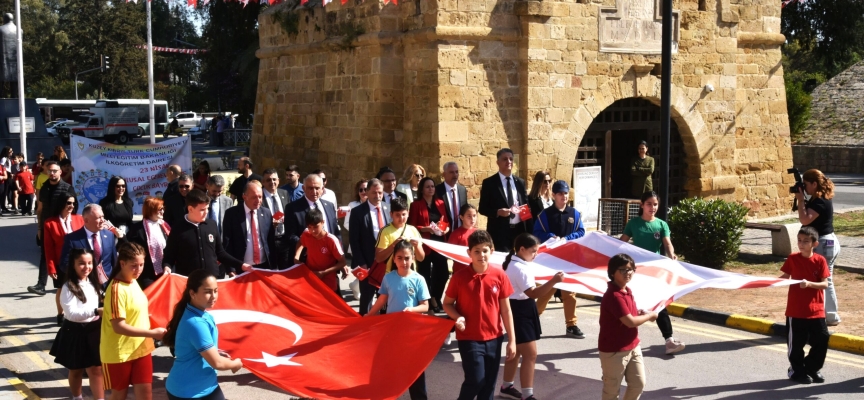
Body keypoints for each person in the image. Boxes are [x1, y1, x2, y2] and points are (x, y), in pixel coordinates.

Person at [442, 230, 516, 400]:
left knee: (488, 385)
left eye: (485, 250)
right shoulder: (459, 277)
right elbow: (447, 304)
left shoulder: (499, 275)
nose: (481, 255)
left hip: (494, 338)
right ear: (469, 253)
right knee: (476, 380)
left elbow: (506, 310)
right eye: (476, 251)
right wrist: (458, 317)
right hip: (469, 338)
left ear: (492, 251)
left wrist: (512, 340)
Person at [619, 191, 685, 355]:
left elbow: (667, 244)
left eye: (655, 204)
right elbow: (621, 244)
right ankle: (624, 339)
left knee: (659, 304)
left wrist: (672, 255)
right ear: (642, 205)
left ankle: (669, 341)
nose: (652, 207)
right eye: (649, 204)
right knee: (630, 305)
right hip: (636, 273)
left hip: (655, 273)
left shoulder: (662, 225)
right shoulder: (633, 224)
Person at [500, 233, 564, 400]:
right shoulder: (519, 268)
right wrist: (554, 281)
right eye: (533, 251)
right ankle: (527, 395)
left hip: (520, 308)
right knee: (530, 355)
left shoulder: (516, 263)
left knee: (516, 352)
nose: (536, 254)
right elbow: (533, 293)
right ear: (522, 249)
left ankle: (506, 386)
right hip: (520, 310)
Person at [100, 242, 167, 400]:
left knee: (146, 395)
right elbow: (119, 327)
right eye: (134, 266)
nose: (138, 270)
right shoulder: (116, 289)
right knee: (119, 396)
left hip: (141, 349)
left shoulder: (133, 280)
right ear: (122, 263)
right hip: (119, 353)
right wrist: (152, 333)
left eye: (141, 265)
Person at [365, 240, 430, 399]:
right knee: (389, 366)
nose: (404, 262)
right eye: (400, 258)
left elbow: (425, 306)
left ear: (413, 258)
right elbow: (382, 299)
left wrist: (412, 310)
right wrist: (369, 315)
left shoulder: (419, 279)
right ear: (394, 259)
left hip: (412, 333)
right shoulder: (388, 278)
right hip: (392, 331)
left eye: (407, 258)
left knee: (414, 368)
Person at [163, 270, 243, 400]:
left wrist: (217, 354)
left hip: (206, 386)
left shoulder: (201, 314)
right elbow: (217, 363)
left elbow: (204, 352)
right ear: (192, 293)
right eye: (207, 292)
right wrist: (235, 364)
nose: (213, 296)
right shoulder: (196, 323)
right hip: (187, 392)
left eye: (215, 290)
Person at [532, 180, 586, 339]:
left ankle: (571, 325)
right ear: (554, 195)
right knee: (546, 293)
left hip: (569, 260)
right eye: (560, 193)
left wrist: (568, 238)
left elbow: (581, 231)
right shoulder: (545, 215)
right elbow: (537, 233)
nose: (564, 196)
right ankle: (531, 321)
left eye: (566, 193)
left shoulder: (575, 214)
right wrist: (551, 237)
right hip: (551, 261)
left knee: (570, 294)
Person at [599, 253, 657, 400]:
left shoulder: (626, 291)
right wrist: (650, 316)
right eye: (623, 270)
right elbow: (630, 322)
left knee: (638, 384)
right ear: (613, 272)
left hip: (633, 346)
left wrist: (639, 313)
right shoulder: (614, 295)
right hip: (614, 351)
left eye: (630, 269)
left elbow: (627, 315)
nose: (628, 273)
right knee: (611, 391)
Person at [49, 248, 105, 400]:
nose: (86, 267)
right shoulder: (68, 287)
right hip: (75, 331)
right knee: (76, 370)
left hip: (94, 330)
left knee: (96, 370)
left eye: (89, 263)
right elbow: (71, 314)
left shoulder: (94, 282)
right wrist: (95, 311)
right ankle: (77, 397)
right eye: (81, 263)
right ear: (73, 265)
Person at [780, 226, 830, 384]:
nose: (801, 244)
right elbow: (784, 276)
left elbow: (825, 284)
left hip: (816, 310)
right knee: (796, 344)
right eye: (799, 240)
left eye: (806, 241)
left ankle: (811, 368)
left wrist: (809, 284)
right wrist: (766, 282)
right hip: (796, 310)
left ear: (815, 244)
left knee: (822, 339)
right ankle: (796, 370)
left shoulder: (820, 260)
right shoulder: (792, 258)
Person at [162, 189, 247, 278]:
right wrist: (167, 266)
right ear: (190, 209)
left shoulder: (212, 225)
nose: (206, 212)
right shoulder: (178, 228)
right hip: (189, 280)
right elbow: (169, 256)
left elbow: (220, 253)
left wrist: (241, 265)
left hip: (212, 279)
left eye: (207, 208)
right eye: (202, 209)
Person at [795, 169, 841, 326]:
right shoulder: (819, 198)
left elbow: (805, 220)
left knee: (824, 280)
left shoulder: (820, 201)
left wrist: (800, 200)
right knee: (826, 279)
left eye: (806, 184)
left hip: (824, 243)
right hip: (827, 242)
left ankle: (831, 317)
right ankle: (828, 315)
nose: (804, 188)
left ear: (814, 184)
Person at [29, 161, 78, 296]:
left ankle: (71, 282)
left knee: (67, 253)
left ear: (60, 172)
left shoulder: (67, 188)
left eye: (55, 171)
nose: (52, 173)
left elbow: (74, 209)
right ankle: (41, 284)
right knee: (45, 253)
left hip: (63, 226)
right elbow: (40, 209)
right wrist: (40, 228)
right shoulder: (44, 187)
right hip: (47, 225)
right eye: (50, 171)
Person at [348, 178, 392, 315]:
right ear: (367, 192)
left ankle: (383, 324)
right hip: (368, 263)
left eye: (380, 192)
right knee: (366, 299)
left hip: (386, 263)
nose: (377, 196)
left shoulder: (388, 208)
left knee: (385, 298)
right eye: (374, 192)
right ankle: (364, 324)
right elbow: (354, 241)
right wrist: (362, 263)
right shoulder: (357, 212)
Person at [40, 194, 84, 323]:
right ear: (61, 203)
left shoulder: (79, 219)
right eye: (68, 203)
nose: (71, 206)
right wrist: (51, 267)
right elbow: (48, 248)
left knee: (80, 287)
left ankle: (77, 314)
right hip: (61, 262)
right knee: (62, 289)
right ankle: (61, 314)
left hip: (79, 261)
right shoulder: (50, 223)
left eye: (73, 203)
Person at [408, 177, 450, 313]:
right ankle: (428, 303)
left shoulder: (440, 203)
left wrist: (445, 229)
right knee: (425, 274)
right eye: (427, 187)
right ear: (422, 189)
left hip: (439, 243)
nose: (431, 189)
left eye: (432, 186)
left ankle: (435, 297)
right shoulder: (416, 205)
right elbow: (412, 226)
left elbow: (446, 222)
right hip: (424, 244)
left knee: (443, 273)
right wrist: (426, 229)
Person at [478, 148, 531, 252]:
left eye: (511, 159)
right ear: (498, 162)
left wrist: (528, 231)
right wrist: (498, 212)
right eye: (505, 159)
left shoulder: (520, 182)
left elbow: (526, 206)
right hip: (500, 233)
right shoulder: (489, 183)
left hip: (519, 230)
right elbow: (482, 208)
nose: (509, 161)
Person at [60, 204, 121, 288]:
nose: (103, 220)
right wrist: (81, 274)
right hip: (84, 284)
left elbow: (114, 261)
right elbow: (64, 264)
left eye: (103, 216)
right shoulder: (72, 239)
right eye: (98, 218)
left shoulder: (109, 235)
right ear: (86, 220)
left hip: (107, 284)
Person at [222, 181, 274, 271]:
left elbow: (270, 241)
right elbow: (227, 243)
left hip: (264, 265)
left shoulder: (266, 213)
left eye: (260, 197)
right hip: (241, 266)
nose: (258, 201)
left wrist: (274, 266)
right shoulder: (232, 214)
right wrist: (231, 269)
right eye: (254, 197)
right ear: (244, 197)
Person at [285, 174, 340, 259]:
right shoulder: (293, 208)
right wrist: (310, 246)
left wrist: (339, 252)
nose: (314, 192)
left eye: (317, 188)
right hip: (307, 258)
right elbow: (290, 235)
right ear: (303, 188)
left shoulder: (329, 206)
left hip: (331, 257)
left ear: (322, 189)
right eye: (310, 188)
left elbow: (335, 231)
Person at [295, 208, 348, 295]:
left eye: (316, 227)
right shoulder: (306, 234)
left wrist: (323, 273)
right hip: (311, 278)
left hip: (328, 282)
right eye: (309, 227)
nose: (312, 231)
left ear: (323, 222)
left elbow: (342, 262)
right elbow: (300, 242)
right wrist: (296, 257)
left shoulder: (331, 240)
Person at [127, 197, 172, 290]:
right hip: (147, 274)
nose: (163, 211)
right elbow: (132, 249)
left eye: (163, 208)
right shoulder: (137, 229)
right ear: (151, 210)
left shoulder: (164, 225)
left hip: (164, 271)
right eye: (160, 209)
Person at [375, 198, 425, 275]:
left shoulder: (413, 230)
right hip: (391, 275)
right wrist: (393, 245)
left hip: (410, 274)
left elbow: (421, 258)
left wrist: (417, 246)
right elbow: (378, 258)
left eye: (404, 214)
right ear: (391, 214)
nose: (401, 218)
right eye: (397, 215)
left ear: (408, 213)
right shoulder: (385, 231)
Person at [261, 168, 291, 269]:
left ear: (278, 180)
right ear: (263, 182)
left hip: (284, 240)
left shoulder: (284, 193)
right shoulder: (259, 197)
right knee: (270, 272)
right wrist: (270, 225)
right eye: (268, 180)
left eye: (274, 179)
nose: (272, 182)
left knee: (285, 271)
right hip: (268, 241)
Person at [447, 203, 479, 277]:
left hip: (475, 270)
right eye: (469, 216)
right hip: (460, 271)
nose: (472, 219)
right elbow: (449, 253)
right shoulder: (456, 234)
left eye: (474, 216)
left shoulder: (478, 232)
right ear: (461, 217)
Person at [436, 161, 468, 231]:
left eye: (456, 172)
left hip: (461, 230)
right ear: (444, 174)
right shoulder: (437, 190)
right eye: (451, 172)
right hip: (445, 232)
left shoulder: (462, 190)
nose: (455, 175)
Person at [342, 178, 369, 255]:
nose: (363, 192)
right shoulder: (352, 205)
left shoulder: (374, 206)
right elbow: (346, 223)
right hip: (357, 242)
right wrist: (358, 231)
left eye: (366, 189)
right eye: (361, 190)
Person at [205, 175, 233, 242]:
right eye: (214, 191)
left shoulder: (228, 201)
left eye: (220, 191)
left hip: (221, 241)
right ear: (207, 186)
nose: (217, 194)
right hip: (204, 240)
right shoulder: (199, 200)